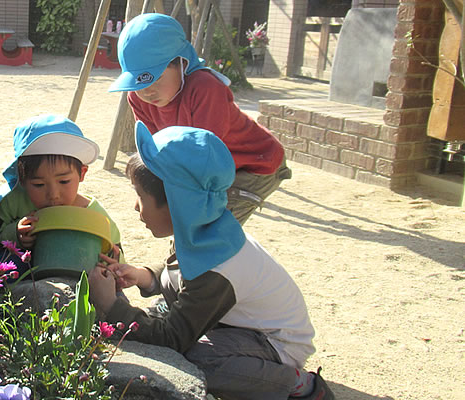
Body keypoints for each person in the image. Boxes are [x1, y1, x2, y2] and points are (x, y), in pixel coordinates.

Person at [87, 122, 335, 400]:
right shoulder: (201, 225)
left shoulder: (218, 267)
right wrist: (145, 275)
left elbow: (173, 338)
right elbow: (182, 269)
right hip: (234, 325)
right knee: (166, 309)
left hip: (275, 344)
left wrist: (111, 305)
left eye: (141, 197)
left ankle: (297, 385)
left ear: (177, 202)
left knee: (197, 358)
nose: (135, 206)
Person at [109, 13, 292, 226]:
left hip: (255, 163)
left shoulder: (206, 88)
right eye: (138, 82)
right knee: (184, 222)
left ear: (181, 63)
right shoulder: (138, 97)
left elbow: (204, 156)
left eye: (156, 78)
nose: (148, 91)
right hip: (210, 164)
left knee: (210, 229)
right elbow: (158, 150)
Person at [0, 115, 123, 276]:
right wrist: (14, 234)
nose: (53, 195)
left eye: (64, 181)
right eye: (39, 185)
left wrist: (112, 263)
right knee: (2, 267)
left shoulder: (94, 214)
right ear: (22, 180)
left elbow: (116, 251)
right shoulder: (11, 203)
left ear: (82, 173)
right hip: (23, 275)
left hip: (80, 277)